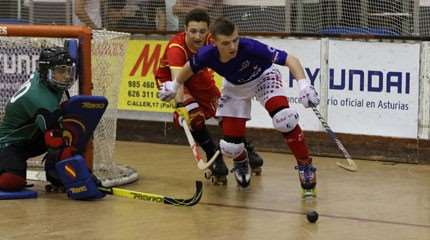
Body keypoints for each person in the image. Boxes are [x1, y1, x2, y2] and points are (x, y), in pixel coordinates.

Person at [158, 17, 320, 196]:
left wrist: (304, 85)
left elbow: (290, 59)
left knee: (285, 119)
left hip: (263, 78)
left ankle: (305, 165)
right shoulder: (206, 54)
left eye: (235, 40)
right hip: (235, 87)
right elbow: (187, 68)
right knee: (230, 147)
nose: (233, 47)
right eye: (226, 43)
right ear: (214, 42)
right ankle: (241, 160)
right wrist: (174, 86)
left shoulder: (250, 46)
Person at [155, 9, 263, 185]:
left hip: (197, 75)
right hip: (173, 81)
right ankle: (214, 157)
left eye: (202, 31)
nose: (198, 37)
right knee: (194, 117)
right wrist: (181, 106)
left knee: (226, 115)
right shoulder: (176, 48)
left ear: (209, 32)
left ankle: (245, 149)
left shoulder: (213, 41)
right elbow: (178, 82)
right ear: (185, 29)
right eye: (193, 31)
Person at [0, 47, 104, 200]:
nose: (67, 76)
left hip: (30, 137)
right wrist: (83, 177)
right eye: (61, 71)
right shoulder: (39, 98)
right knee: (12, 181)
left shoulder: (47, 79)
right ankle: (61, 175)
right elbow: (56, 141)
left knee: (64, 136)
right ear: (46, 71)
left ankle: (55, 175)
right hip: (9, 143)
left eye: (69, 71)